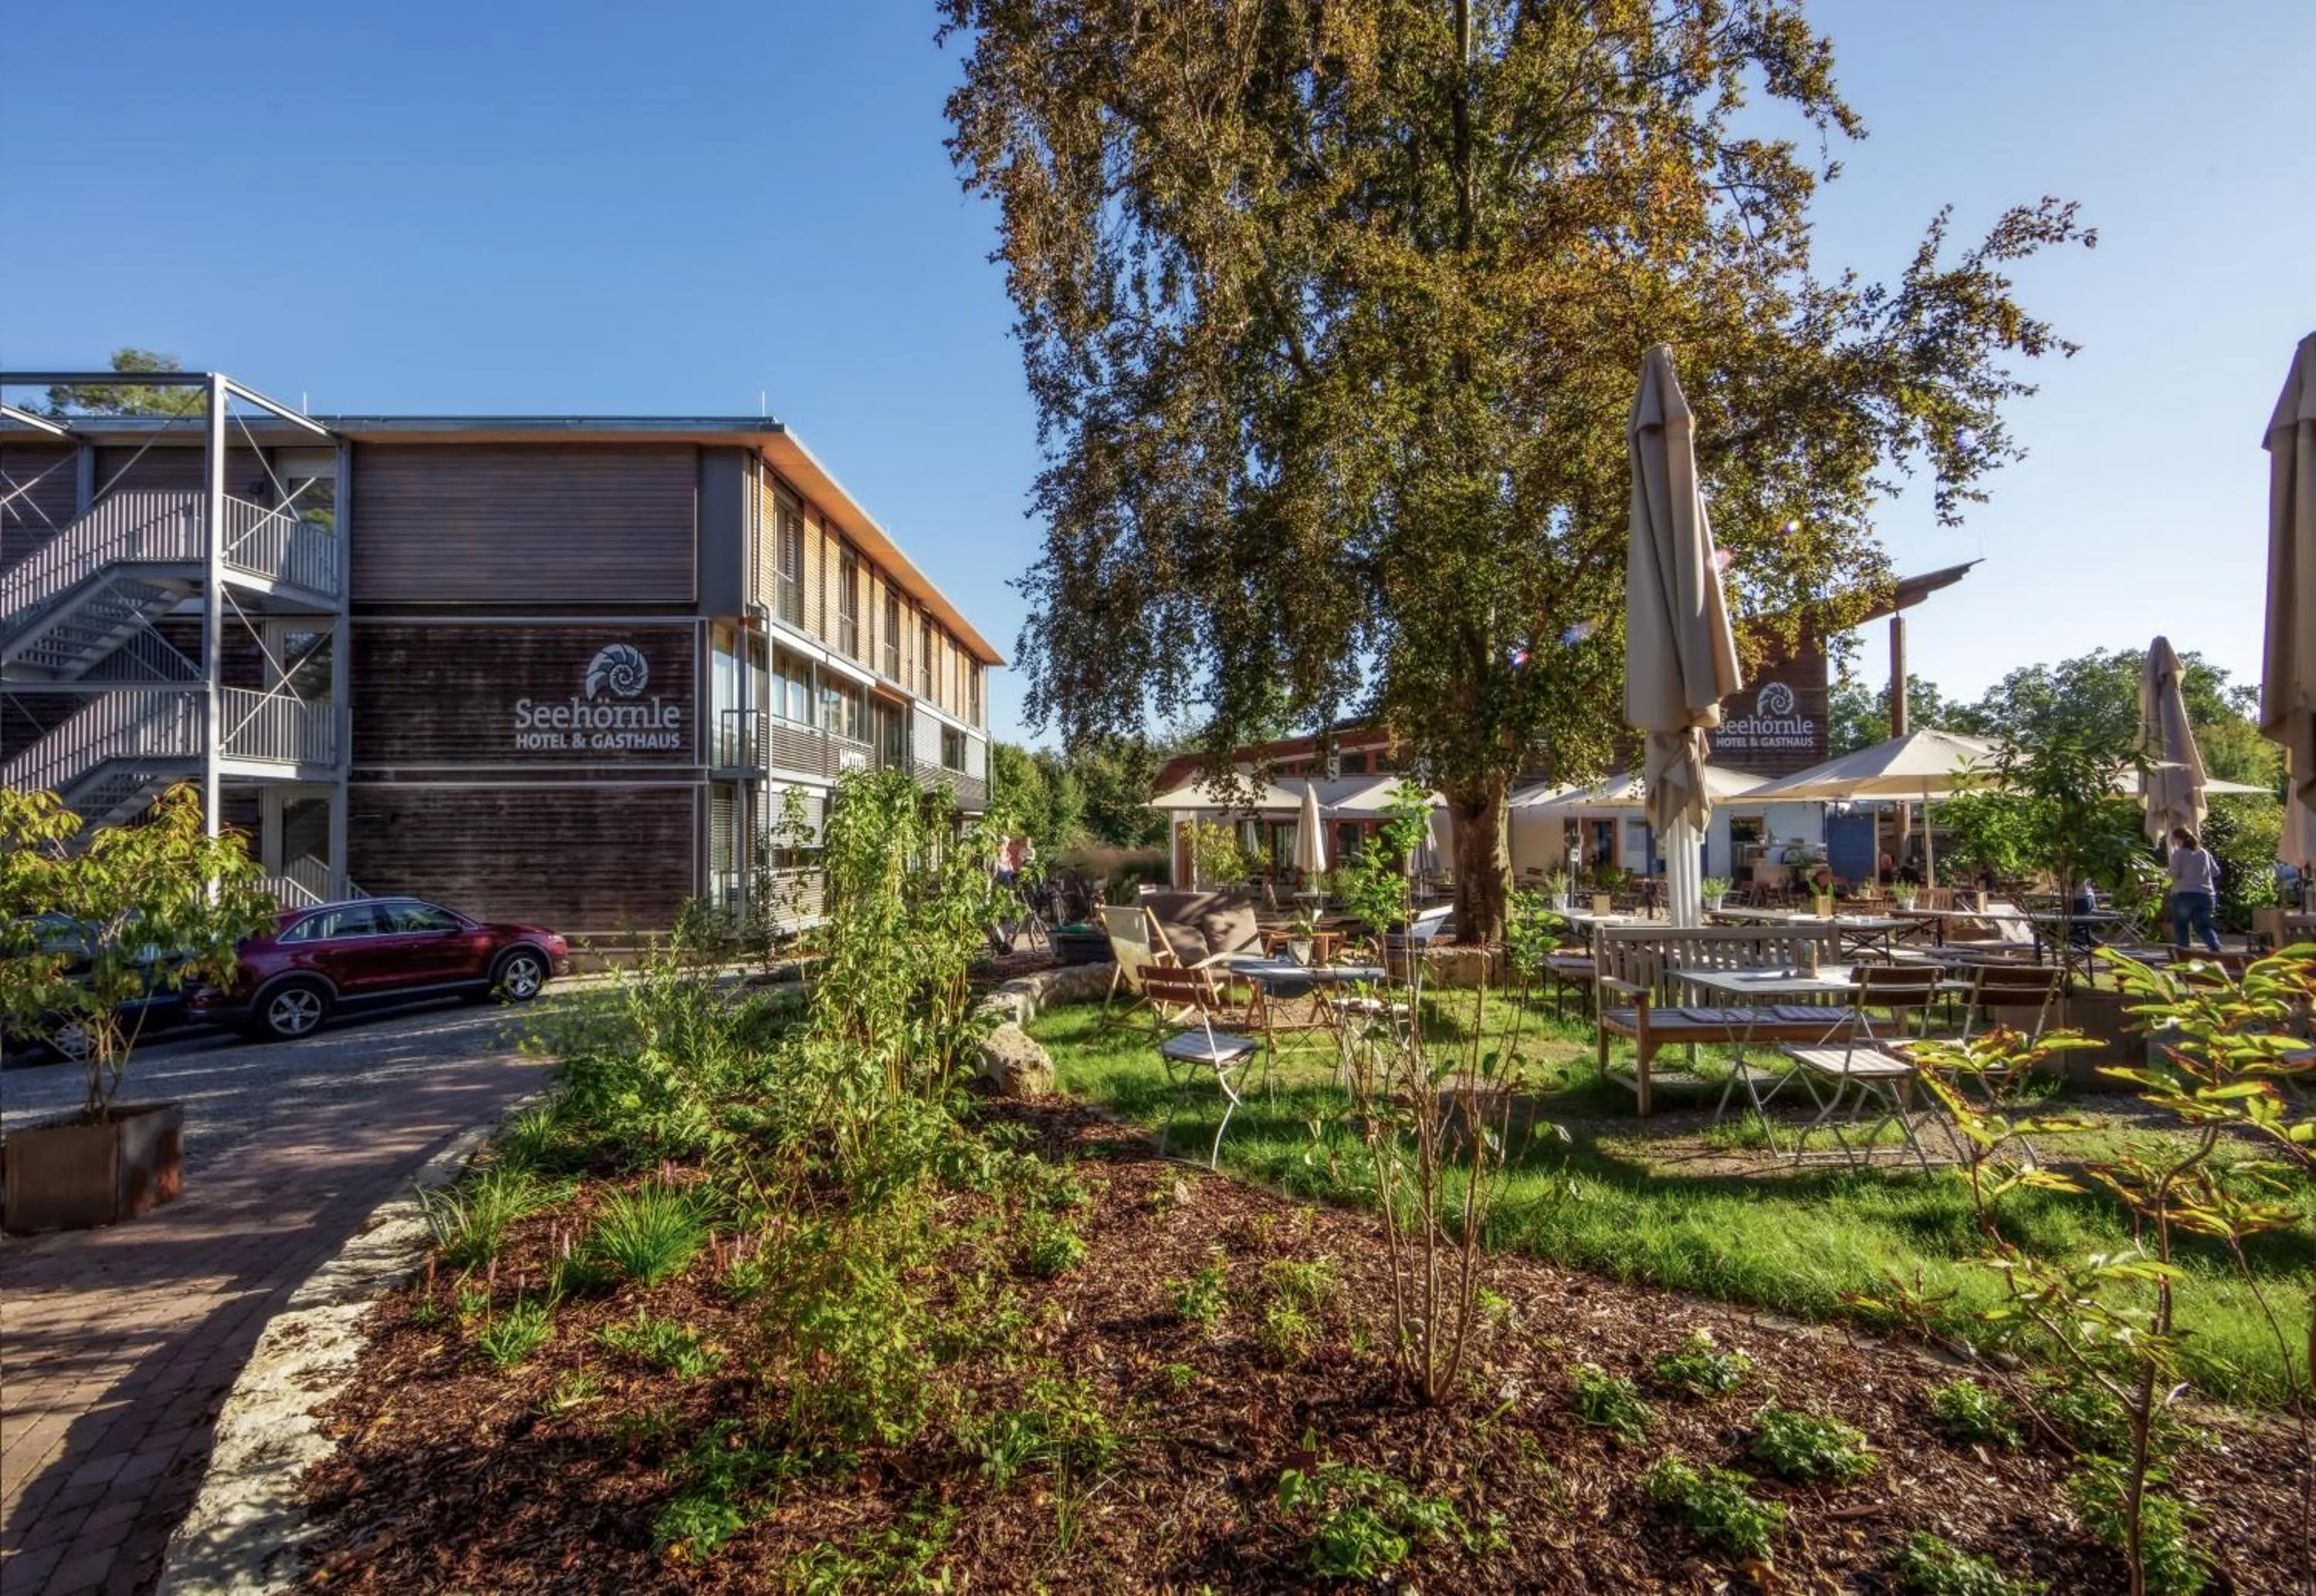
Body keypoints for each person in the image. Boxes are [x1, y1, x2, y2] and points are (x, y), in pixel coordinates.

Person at [2166, 827, 2222, 953]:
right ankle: (2214, 946)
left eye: (2173, 839)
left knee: (2181, 926)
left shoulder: (2179, 854)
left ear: (2177, 839)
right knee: (2203, 926)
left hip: (2184, 894)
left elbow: (2174, 874)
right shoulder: (2204, 853)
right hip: (2206, 895)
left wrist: (2168, 873)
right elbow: (2215, 872)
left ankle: (2183, 952)